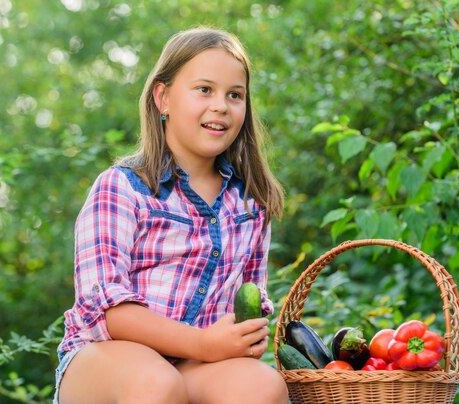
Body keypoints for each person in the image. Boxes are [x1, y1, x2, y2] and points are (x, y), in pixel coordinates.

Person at [54, 26, 288, 404]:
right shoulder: (122, 188)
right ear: (163, 97)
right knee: (157, 384)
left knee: (263, 387)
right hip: (106, 360)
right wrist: (204, 342)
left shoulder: (250, 202)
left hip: (194, 363)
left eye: (235, 95)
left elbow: (248, 298)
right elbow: (111, 312)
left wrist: (242, 336)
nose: (221, 106)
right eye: (204, 90)